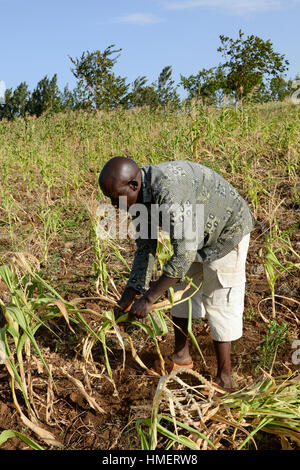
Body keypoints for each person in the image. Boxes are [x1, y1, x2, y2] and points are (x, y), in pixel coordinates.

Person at [99, 156, 254, 390]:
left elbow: (183, 256)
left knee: (219, 299)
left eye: (114, 197)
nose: (112, 204)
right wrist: (131, 293)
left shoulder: (168, 192)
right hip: (195, 235)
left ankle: (225, 378)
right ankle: (181, 357)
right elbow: (146, 247)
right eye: (109, 198)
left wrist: (149, 299)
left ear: (133, 185)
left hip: (226, 232)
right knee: (180, 291)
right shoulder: (138, 198)